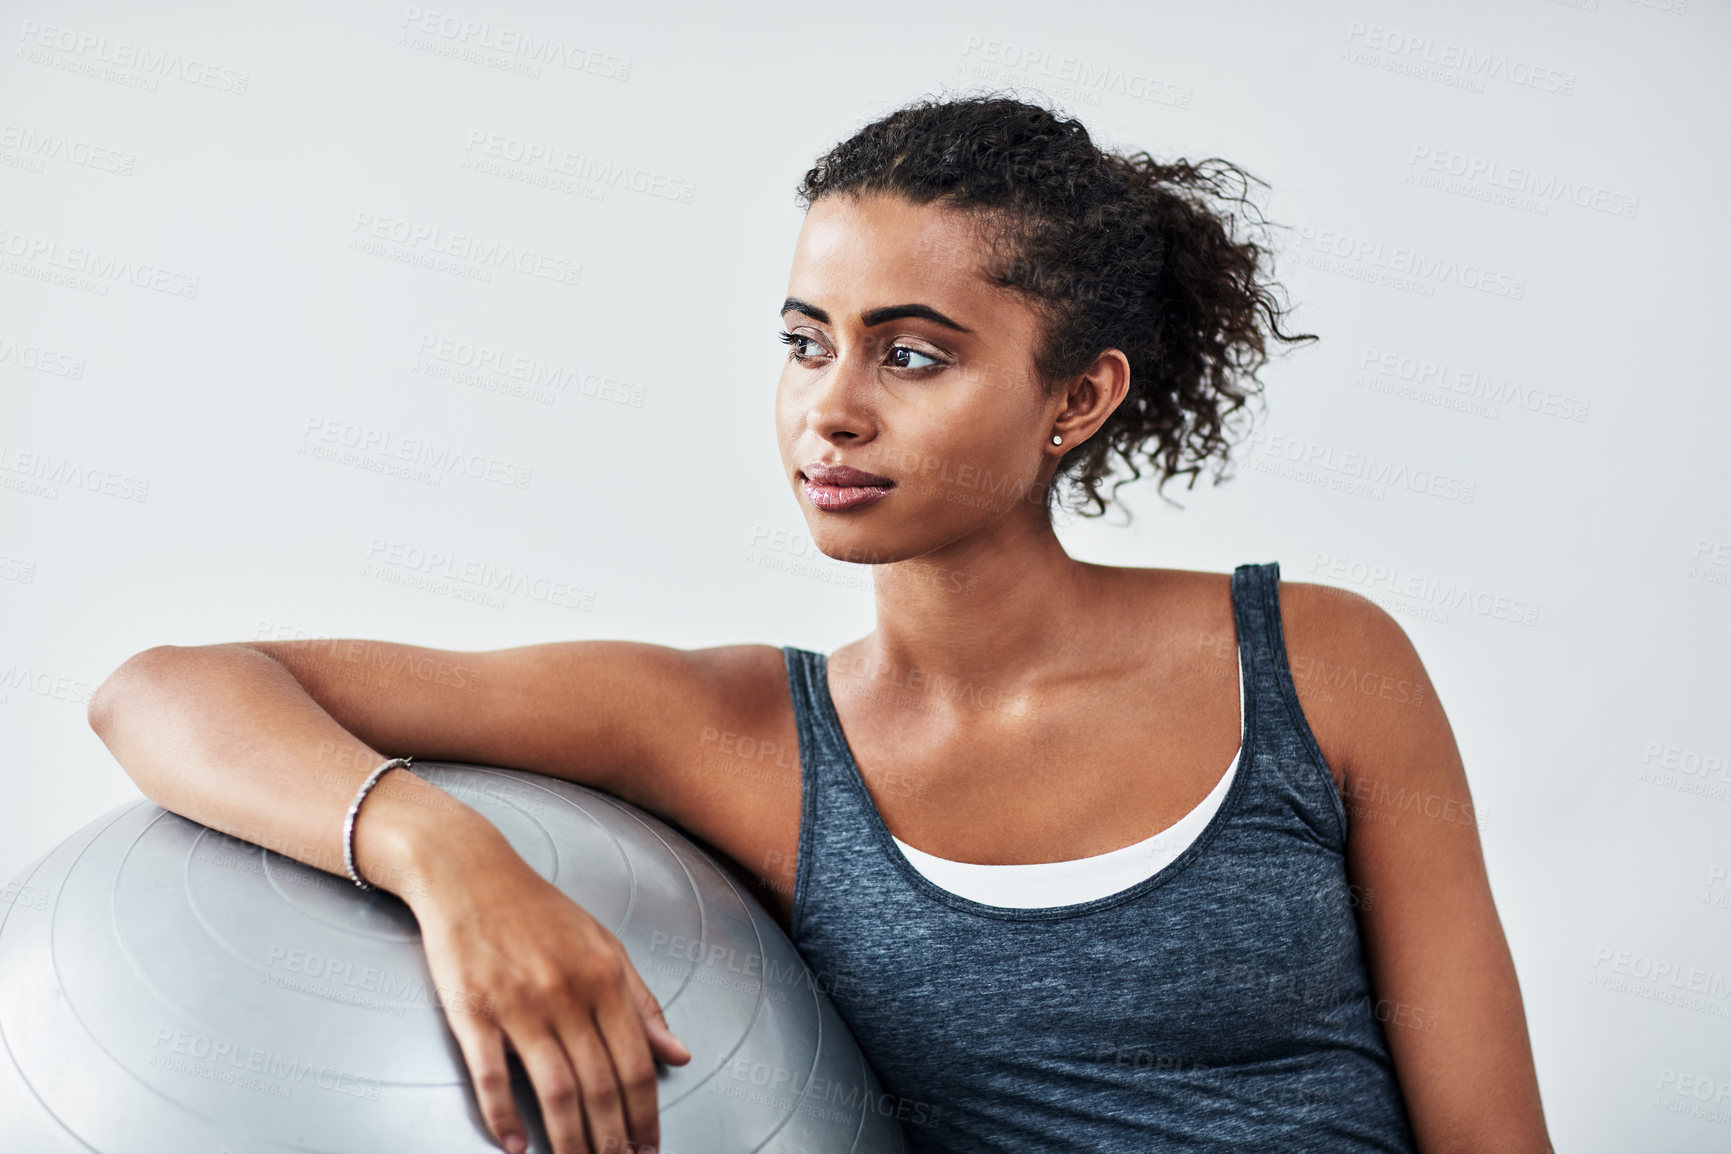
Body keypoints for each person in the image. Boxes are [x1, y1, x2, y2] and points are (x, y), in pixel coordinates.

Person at [87, 94, 1552, 1154]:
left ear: (1080, 398)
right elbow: (167, 687)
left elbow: (1491, 1135)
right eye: (804, 340)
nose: (830, 408)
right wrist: (442, 853)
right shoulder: (736, 732)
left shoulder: (1316, 660)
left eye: (912, 353)